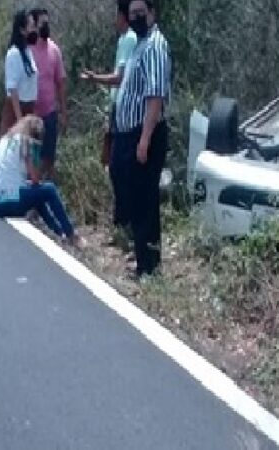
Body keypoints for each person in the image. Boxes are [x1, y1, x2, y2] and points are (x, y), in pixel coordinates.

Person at [114, 0, 171, 278]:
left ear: (152, 13)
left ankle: (149, 266)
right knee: (135, 198)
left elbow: (155, 97)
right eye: (132, 14)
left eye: (141, 13)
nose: (136, 18)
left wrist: (145, 139)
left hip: (145, 134)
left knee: (145, 200)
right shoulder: (140, 44)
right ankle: (141, 258)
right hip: (130, 134)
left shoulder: (156, 46)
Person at [80, 0, 138, 231]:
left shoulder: (130, 39)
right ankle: (121, 218)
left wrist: (95, 78)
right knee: (112, 164)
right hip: (116, 107)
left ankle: (125, 219)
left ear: (124, 17)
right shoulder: (123, 40)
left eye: (117, 15)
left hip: (124, 110)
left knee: (119, 166)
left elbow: (120, 77)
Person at [0, 114, 82, 246]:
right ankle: (70, 233)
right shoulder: (26, 141)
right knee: (48, 190)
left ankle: (59, 232)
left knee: (37, 193)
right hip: (12, 202)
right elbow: (34, 177)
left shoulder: (5, 140)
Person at [29, 7, 68, 180]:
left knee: (49, 157)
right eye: (43, 23)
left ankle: (47, 192)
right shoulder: (27, 51)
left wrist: (63, 112)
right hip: (31, 116)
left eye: (47, 23)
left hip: (49, 114)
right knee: (32, 157)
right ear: (35, 25)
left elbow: (60, 83)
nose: (46, 26)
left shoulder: (54, 50)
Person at [0, 9, 39, 136]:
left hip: (29, 108)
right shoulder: (14, 54)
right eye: (32, 26)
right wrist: (20, 120)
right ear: (22, 30)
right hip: (16, 111)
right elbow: (12, 89)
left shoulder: (28, 51)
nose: (35, 30)